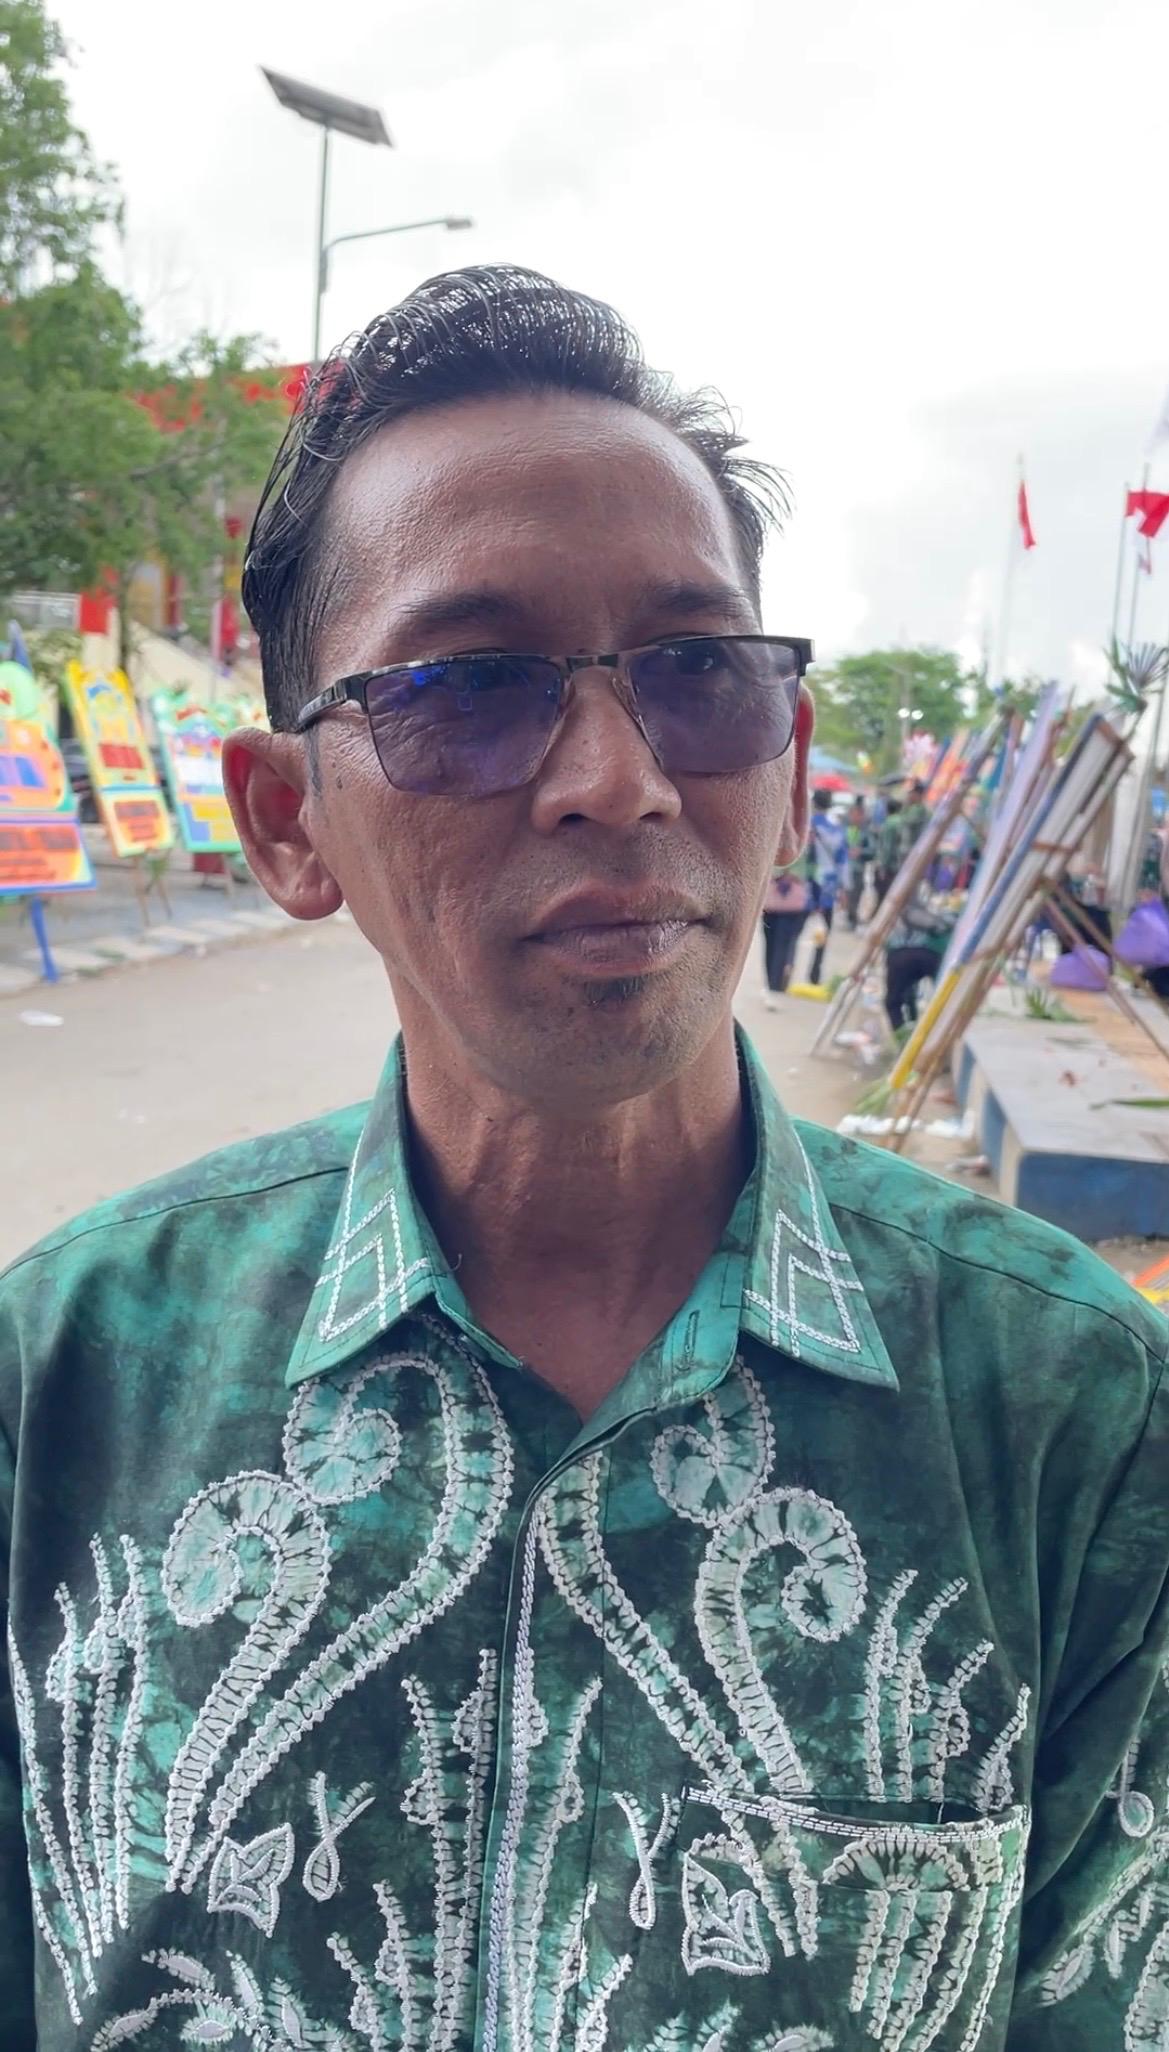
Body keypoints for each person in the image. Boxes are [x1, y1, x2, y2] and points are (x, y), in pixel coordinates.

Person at [1, 266, 1166, 2052]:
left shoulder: (1069, 1413)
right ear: (289, 821)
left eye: (695, 673)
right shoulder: (64, 1382)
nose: (616, 779)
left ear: (786, 753)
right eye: (472, 686)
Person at [883, 887, 955, 1031]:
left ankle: (902, 1034)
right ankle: (938, 1030)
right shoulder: (918, 908)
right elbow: (940, 926)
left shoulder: (895, 909)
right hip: (930, 954)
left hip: (900, 955)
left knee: (893, 1000)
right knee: (944, 996)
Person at [806, 785, 850, 982]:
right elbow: (843, 862)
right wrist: (844, 889)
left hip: (807, 884)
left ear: (813, 803)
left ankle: (783, 971)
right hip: (829, 887)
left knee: (794, 931)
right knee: (823, 929)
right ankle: (815, 973)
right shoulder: (838, 830)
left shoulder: (807, 825)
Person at [760, 848, 811, 1005]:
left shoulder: (807, 844)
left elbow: (809, 871)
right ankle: (772, 983)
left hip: (790, 904)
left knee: (782, 945)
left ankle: (775, 985)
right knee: (771, 944)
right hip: (772, 901)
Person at [844, 793, 874, 928]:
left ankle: (852, 919)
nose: (855, 817)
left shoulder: (866, 832)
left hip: (857, 869)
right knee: (846, 896)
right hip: (844, 869)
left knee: (855, 896)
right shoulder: (845, 829)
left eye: (858, 814)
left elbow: (872, 850)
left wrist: (860, 851)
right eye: (853, 814)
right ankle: (849, 916)